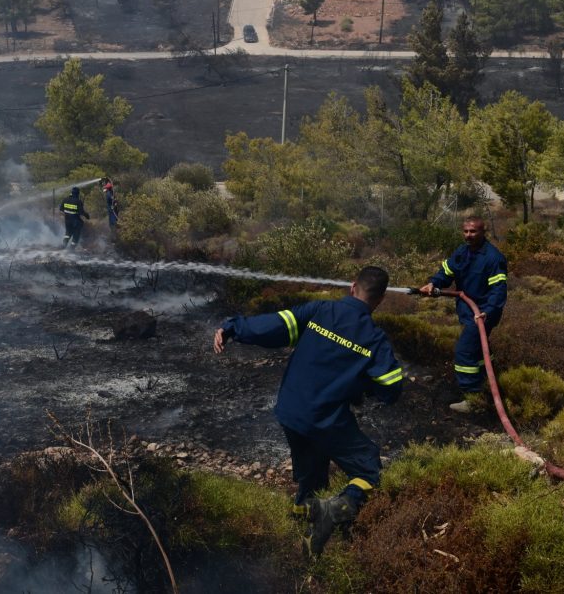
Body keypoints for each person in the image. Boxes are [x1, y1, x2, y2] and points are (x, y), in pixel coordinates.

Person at [213, 266, 403, 557]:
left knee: (312, 475)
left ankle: (301, 533)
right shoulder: (374, 338)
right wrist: (363, 382)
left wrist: (232, 328)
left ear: (353, 286)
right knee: (369, 468)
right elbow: (391, 388)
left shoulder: (319, 310)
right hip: (323, 419)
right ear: (380, 299)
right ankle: (331, 512)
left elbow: (273, 326)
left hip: (290, 411)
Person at [419, 216, 507, 414]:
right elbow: (447, 272)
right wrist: (434, 283)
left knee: (464, 352)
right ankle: (487, 386)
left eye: (473, 231)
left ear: (483, 232)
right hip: (467, 311)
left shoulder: (493, 258)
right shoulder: (462, 252)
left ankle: (473, 397)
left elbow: (498, 290)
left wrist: (487, 312)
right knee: (478, 353)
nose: (468, 235)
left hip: (482, 313)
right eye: (466, 231)